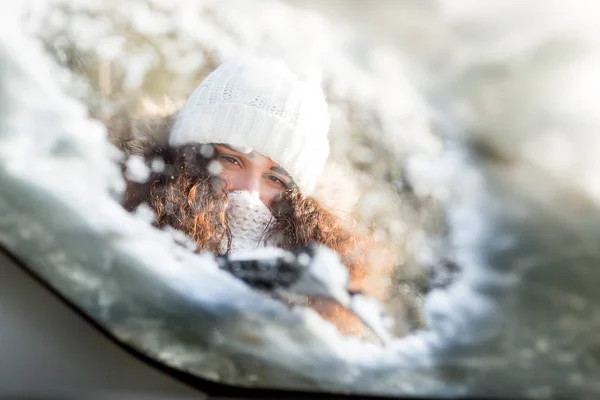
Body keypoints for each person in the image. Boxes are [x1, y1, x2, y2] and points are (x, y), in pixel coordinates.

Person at [111, 57, 393, 338]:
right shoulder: (117, 206)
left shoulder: (316, 295)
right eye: (232, 160)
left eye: (275, 178)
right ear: (186, 159)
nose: (250, 193)